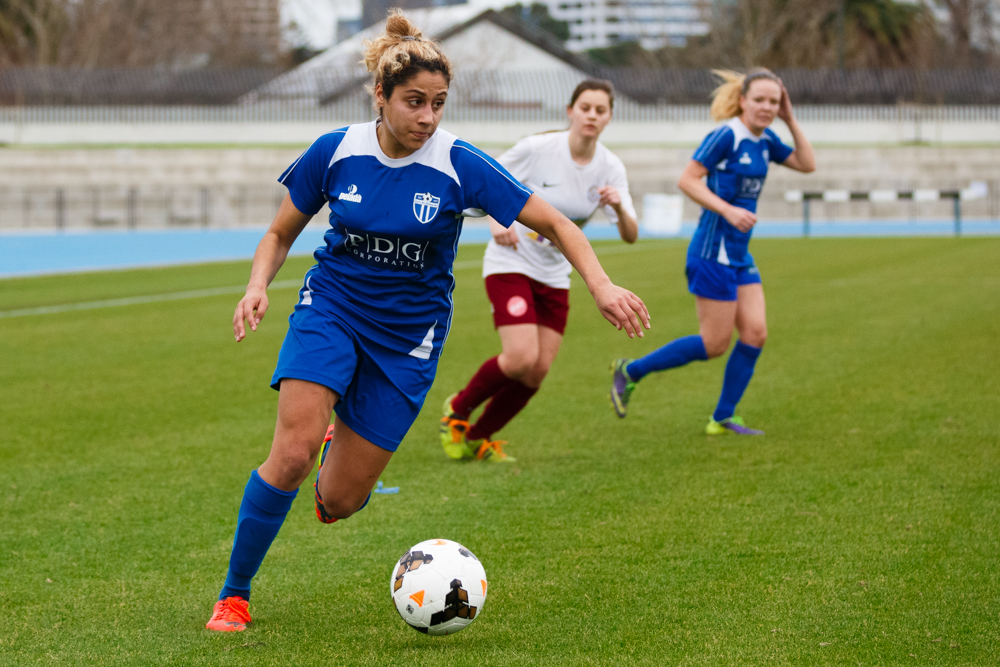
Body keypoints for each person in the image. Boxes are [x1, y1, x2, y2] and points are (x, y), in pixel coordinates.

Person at [205, 11, 650, 632]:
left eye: (438, 103)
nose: (428, 117)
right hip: (331, 310)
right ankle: (234, 595)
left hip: (407, 342)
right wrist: (257, 286)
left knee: (339, 502)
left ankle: (340, 452)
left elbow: (556, 222)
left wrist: (601, 284)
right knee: (292, 453)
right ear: (380, 96)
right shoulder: (336, 151)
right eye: (414, 102)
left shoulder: (459, 163)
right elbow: (280, 233)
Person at [439, 80, 639, 462]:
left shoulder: (610, 167)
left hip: (555, 275)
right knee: (520, 358)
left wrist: (619, 207)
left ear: (609, 117)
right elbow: (486, 182)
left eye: (600, 110)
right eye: (585, 107)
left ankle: (478, 437)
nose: (592, 116)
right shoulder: (537, 149)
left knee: (536, 371)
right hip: (511, 263)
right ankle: (457, 411)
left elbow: (630, 235)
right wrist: (497, 223)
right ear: (570, 111)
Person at [609, 68, 815, 435]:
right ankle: (631, 370)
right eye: (760, 100)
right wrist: (728, 210)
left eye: (774, 101)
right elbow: (687, 179)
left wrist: (790, 119)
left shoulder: (766, 140)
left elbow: (807, 164)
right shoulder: (726, 136)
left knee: (755, 334)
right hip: (711, 252)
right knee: (714, 344)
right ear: (743, 101)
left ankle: (722, 417)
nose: (767, 107)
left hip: (739, 254)